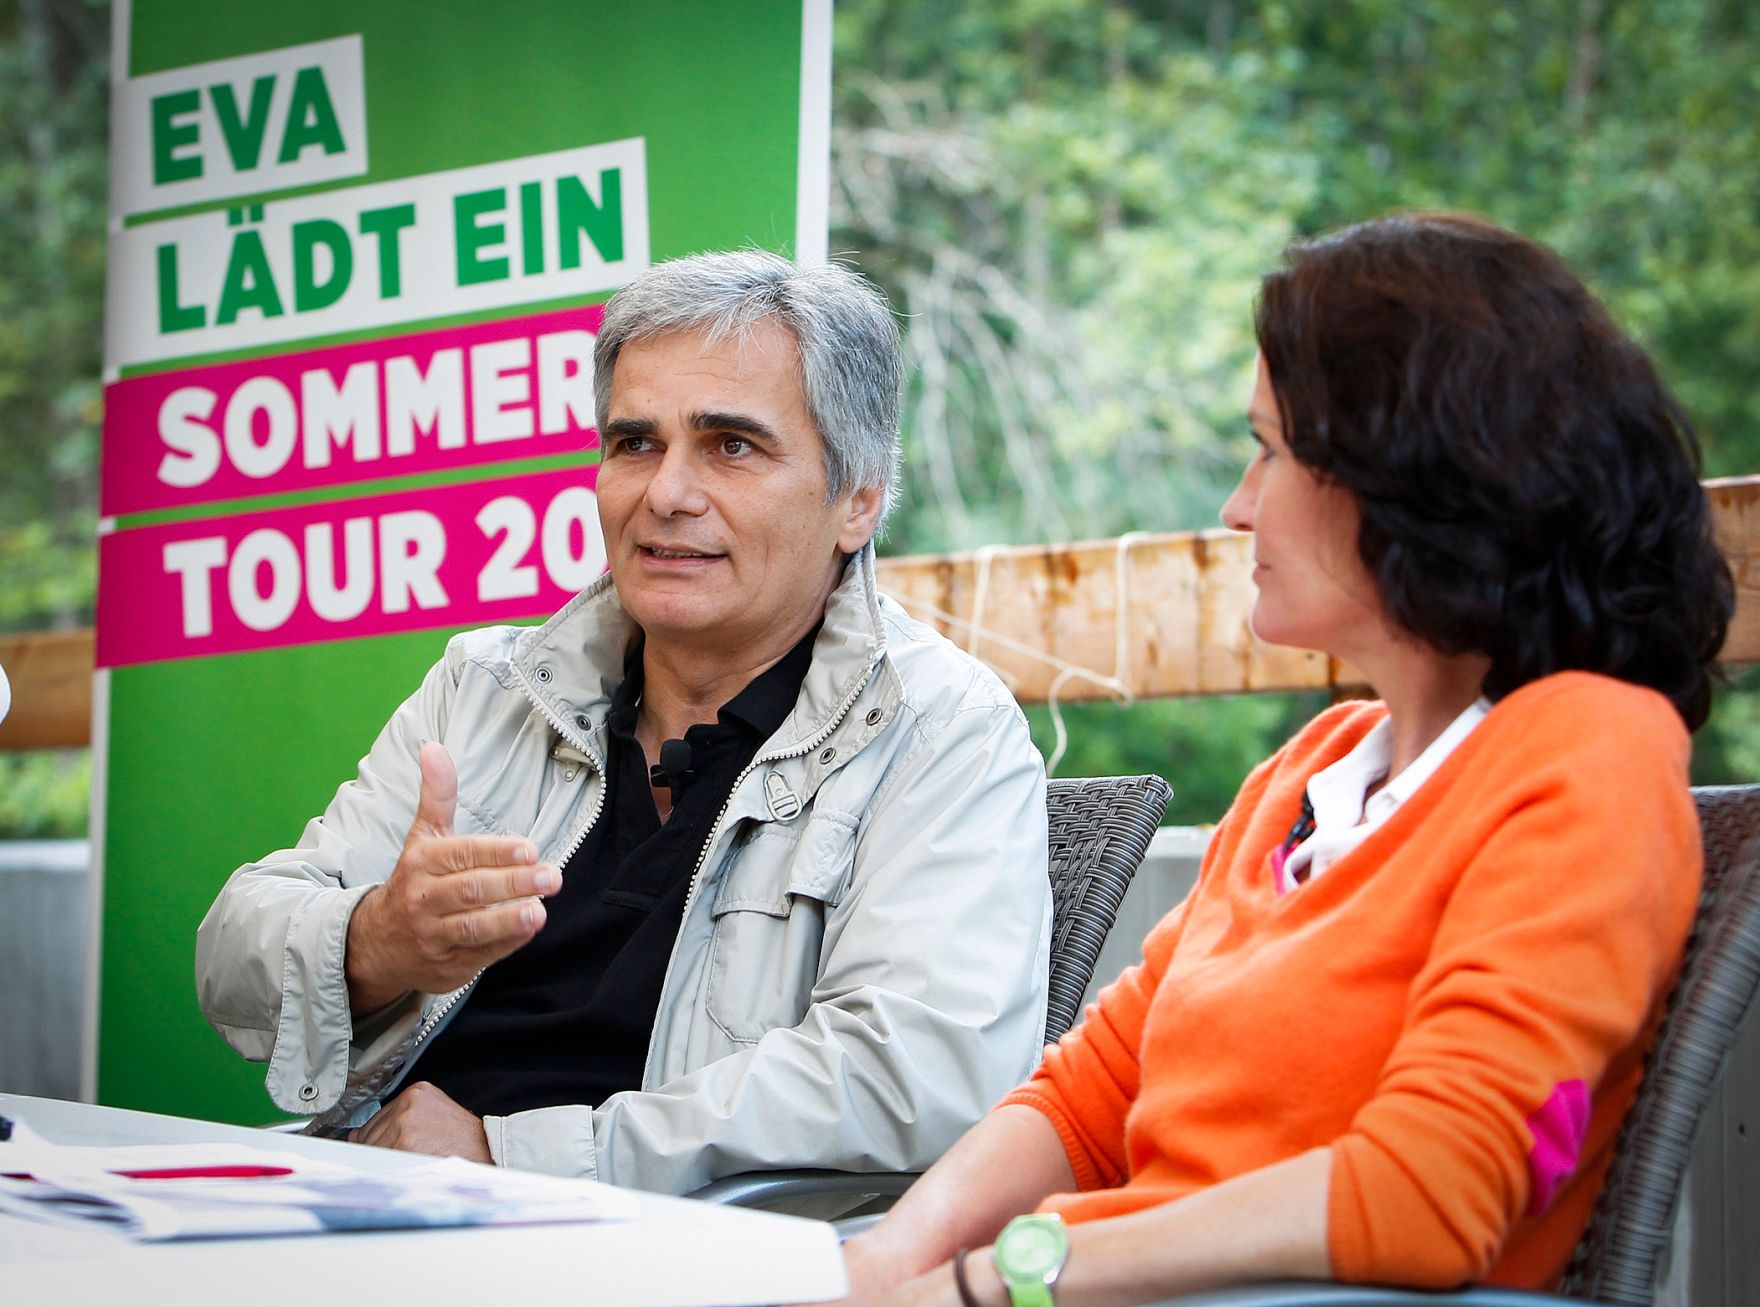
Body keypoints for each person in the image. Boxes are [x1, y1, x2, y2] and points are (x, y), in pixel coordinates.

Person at [838, 212, 1734, 1304]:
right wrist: (883, 1260)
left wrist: (1001, 1278)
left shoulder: (1586, 750)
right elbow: (1086, 1093)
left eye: (1270, 449)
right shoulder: (1312, 770)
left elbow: (1423, 1195)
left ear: (1417, 477)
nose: (1234, 505)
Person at [195, 250, 1052, 1194]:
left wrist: (508, 1156)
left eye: (731, 445)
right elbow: (230, 958)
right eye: (634, 443)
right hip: (379, 1215)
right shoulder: (488, 686)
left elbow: (918, 1078)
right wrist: (376, 940)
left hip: (670, 1258)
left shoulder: (940, 730)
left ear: (858, 499)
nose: (666, 493)